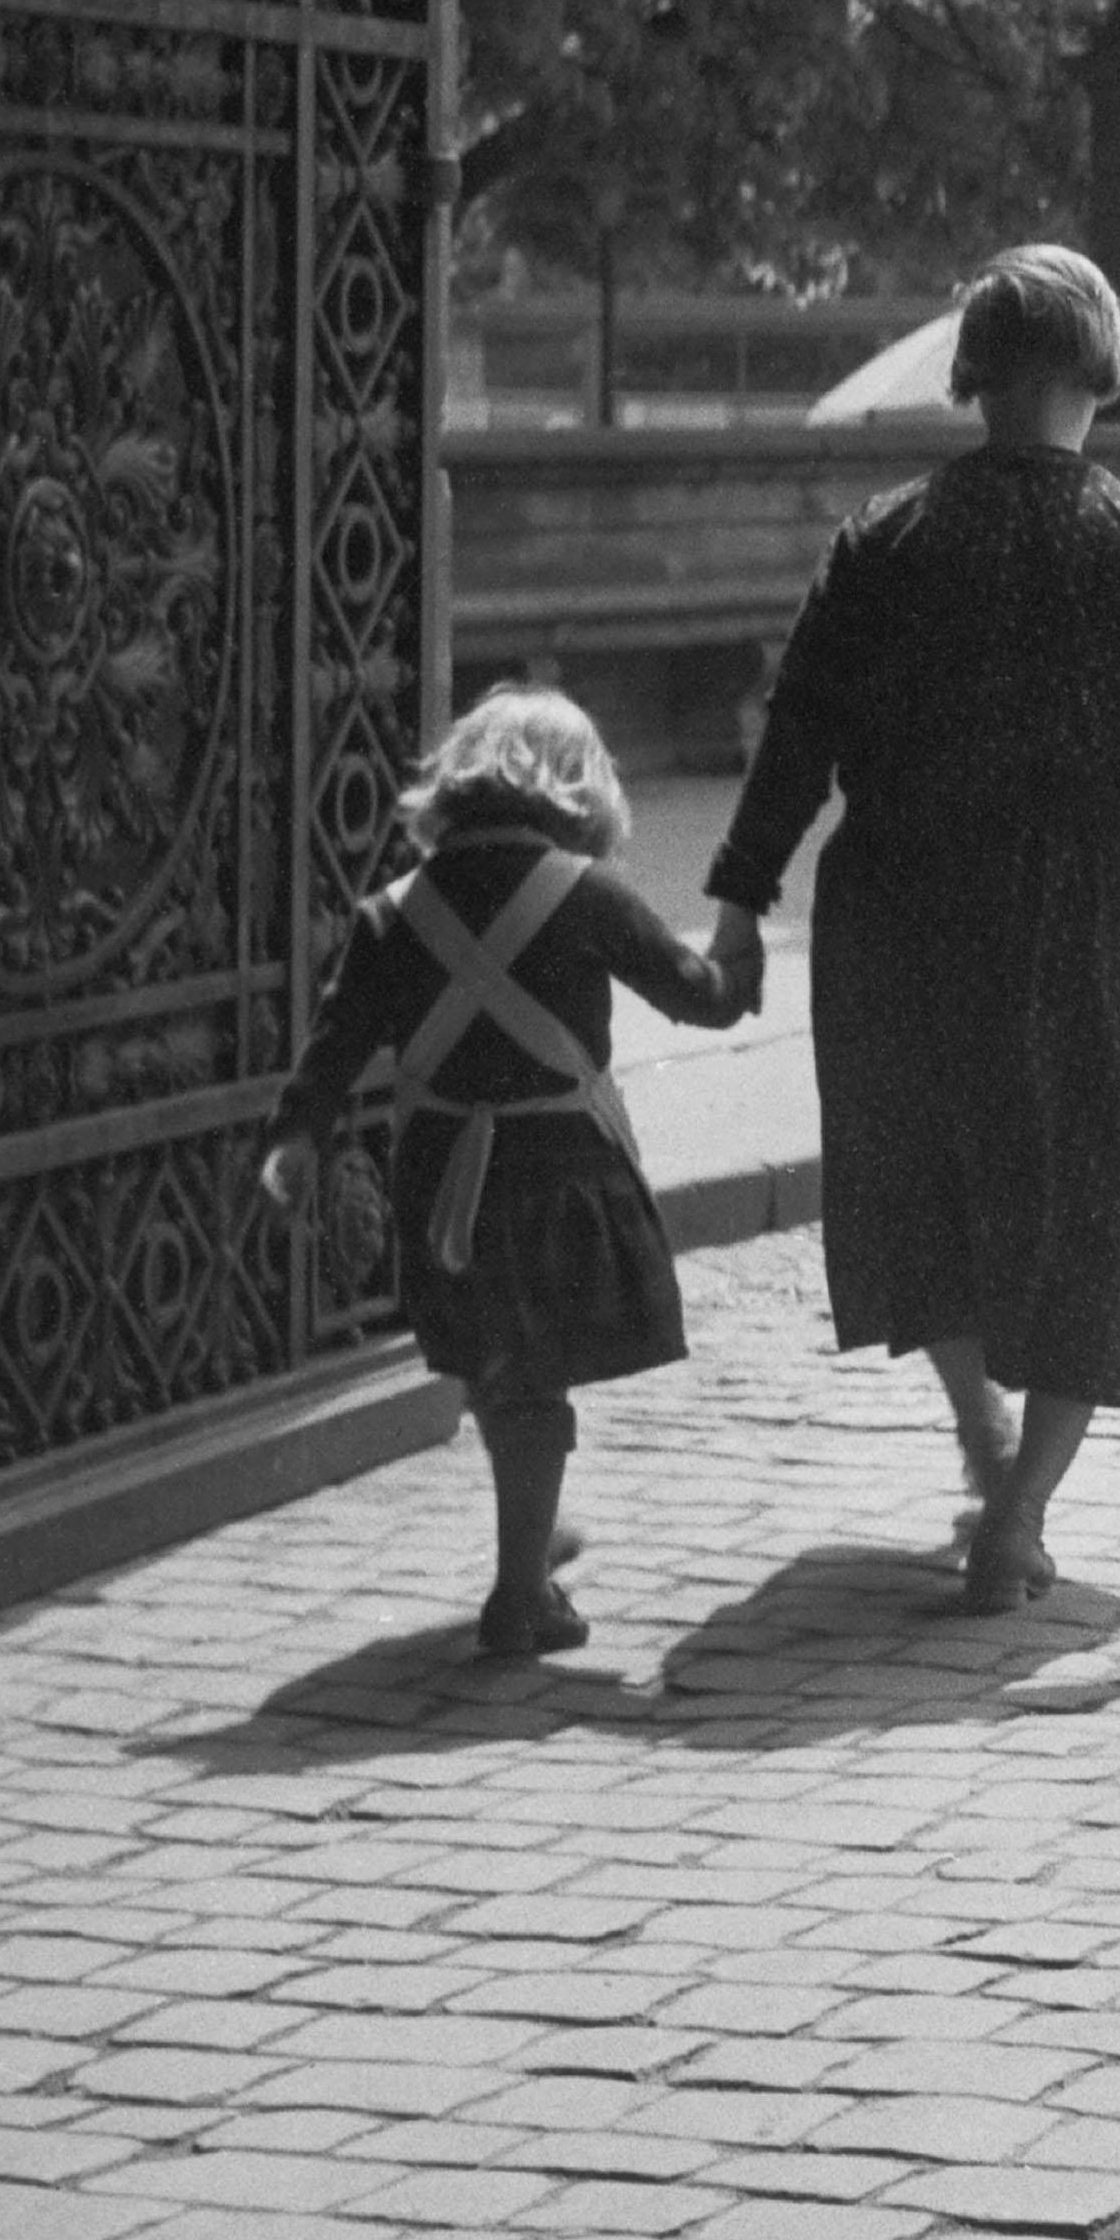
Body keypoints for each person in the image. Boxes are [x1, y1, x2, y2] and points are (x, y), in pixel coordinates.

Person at [701, 245, 1120, 1608]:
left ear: (975, 371)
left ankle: (979, 1430)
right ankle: (1021, 1512)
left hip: (899, 909)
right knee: (1087, 1206)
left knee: (929, 1186)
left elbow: (793, 733)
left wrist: (740, 904)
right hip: (1069, 914)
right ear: (1098, 371)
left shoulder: (882, 539)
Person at [259, 689, 749, 1659]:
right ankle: (521, 1596)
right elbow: (699, 998)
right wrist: (736, 952)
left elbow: (336, 1041)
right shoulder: (587, 890)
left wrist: (295, 1137)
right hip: (561, 1174)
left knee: (500, 1362)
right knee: (533, 1380)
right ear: (578, 787)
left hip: (441, 1182)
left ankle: (530, 1531)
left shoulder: (394, 910)